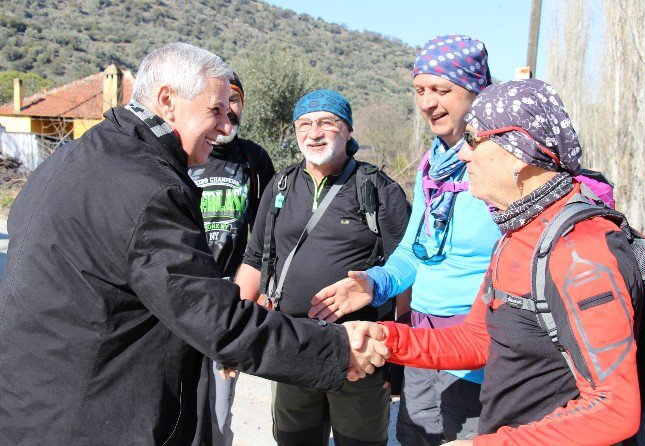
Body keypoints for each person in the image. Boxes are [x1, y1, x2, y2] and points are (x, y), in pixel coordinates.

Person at [0, 43, 387, 445]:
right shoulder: (146, 188)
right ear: (168, 100)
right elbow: (214, 317)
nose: (225, 126)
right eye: (215, 110)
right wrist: (337, 350)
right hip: (91, 418)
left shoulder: (71, 159)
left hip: (32, 409)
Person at [355, 79, 645, 445]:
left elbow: (613, 408)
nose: (463, 155)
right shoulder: (514, 235)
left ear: (519, 154)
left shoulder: (581, 253)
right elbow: (479, 340)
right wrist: (389, 339)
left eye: (474, 141)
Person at [310, 35, 501, 444]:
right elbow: (415, 251)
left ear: (477, 90)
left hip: (477, 346)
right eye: (420, 90)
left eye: (442, 90)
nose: (428, 103)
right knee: (414, 435)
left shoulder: (500, 163)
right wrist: (373, 283)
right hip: (421, 335)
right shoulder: (432, 164)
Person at [235, 89, 411, 446]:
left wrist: (399, 353)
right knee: (294, 439)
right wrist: (231, 328)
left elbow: (406, 271)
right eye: (304, 124)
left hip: (358, 351)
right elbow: (255, 259)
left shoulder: (378, 190)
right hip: (291, 344)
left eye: (326, 123)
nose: (313, 133)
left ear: (347, 130)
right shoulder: (280, 184)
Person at [188, 71, 275, 446]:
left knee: (220, 408)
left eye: (235, 100)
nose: (229, 110)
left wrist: (260, 292)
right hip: (181, 290)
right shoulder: (183, 153)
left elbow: (268, 232)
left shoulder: (254, 159)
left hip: (229, 297)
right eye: (220, 102)